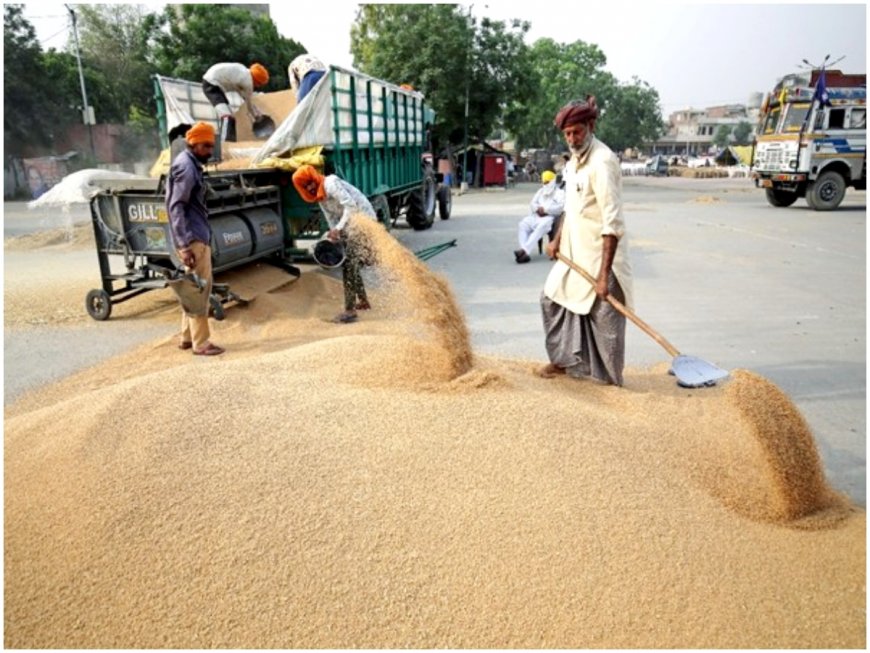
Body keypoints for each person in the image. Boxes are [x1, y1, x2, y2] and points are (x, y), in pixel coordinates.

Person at [538, 96, 634, 386]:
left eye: (576, 132)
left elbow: (612, 222)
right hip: (573, 252)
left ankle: (610, 381)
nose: (571, 138)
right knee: (551, 300)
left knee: (606, 321)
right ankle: (564, 361)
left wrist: (604, 276)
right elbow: (570, 206)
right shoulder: (573, 163)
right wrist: (556, 240)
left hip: (602, 258)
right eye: (567, 134)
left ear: (590, 126)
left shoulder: (603, 162)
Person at [165, 121, 225, 356]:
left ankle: (186, 338)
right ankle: (202, 343)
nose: (210, 151)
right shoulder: (187, 168)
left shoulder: (188, 163)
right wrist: (183, 245)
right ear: (193, 143)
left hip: (194, 235)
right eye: (206, 146)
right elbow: (176, 206)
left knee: (192, 287)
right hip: (193, 238)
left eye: (211, 146)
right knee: (199, 290)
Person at [292, 165, 377, 323]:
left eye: (310, 182)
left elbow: (351, 206)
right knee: (348, 262)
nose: (310, 187)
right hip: (349, 224)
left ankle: (350, 310)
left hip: (363, 220)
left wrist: (338, 229)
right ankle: (363, 302)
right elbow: (330, 217)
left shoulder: (330, 184)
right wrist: (334, 234)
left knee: (349, 264)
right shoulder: (319, 197)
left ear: (315, 177)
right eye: (305, 186)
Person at [201, 62, 269, 142]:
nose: (257, 86)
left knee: (231, 118)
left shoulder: (243, 72)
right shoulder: (248, 81)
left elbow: (244, 95)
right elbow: (249, 105)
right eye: (258, 84)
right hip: (211, 85)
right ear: (257, 80)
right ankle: (225, 145)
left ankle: (231, 142)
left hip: (213, 83)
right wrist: (258, 118)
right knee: (226, 116)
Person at [514, 169, 565, 264]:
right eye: (544, 182)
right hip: (536, 216)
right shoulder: (540, 191)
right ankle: (524, 252)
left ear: (552, 181)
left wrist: (546, 209)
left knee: (541, 226)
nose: (545, 184)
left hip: (549, 218)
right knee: (523, 224)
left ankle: (524, 252)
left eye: (547, 182)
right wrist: (537, 208)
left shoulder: (560, 193)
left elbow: (561, 207)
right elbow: (532, 203)